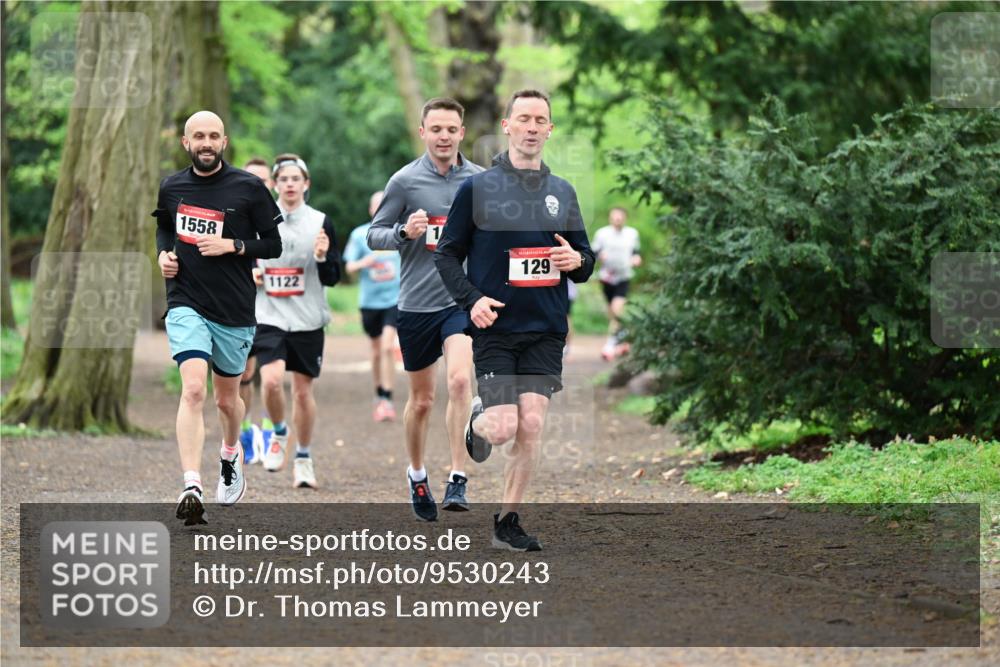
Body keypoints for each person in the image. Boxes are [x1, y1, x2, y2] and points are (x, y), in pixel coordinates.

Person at [434, 89, 595, 551]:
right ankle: (477, 420)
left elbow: (585, 261)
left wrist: (576, 261)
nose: (531, 127)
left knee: (532, 424)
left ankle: (507, 523)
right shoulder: (478, 189)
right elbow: (447, 254)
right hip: (496, 328)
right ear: (507, 126)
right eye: (523, 118)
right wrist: (471, 301)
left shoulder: (562, 191)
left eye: (540, 120)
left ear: (550, 130)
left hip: (545, 328)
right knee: (503, 427)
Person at [154, 111, 282, 525]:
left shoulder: (249, 187)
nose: (206, 143)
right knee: (193, 389)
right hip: (186, 300)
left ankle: (230, 453)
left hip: (234, 308)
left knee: (227, 400)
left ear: (224, 142)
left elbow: (274, 245)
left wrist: (233, 245)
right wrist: (163, 254)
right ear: (186, 143)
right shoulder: (172, 187)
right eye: (198, 136)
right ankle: (191, 484)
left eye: (213, 136)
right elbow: (164, 228)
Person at [367, 97, 484, 521]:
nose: (444, 136)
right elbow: (374, 235)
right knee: (421, 400)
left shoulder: (480, 181)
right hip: (416, 304)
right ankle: (417, 473)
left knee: (459, 381)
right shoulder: (404, 181)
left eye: (451, 129)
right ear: (423, 132)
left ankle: (458, 476)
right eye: (436, 129)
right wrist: (404, 231)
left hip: (460, 301)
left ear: (462, 133)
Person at [253, 153, 341, 489]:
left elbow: (333, 276)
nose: (290, 185)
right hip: (269, 315)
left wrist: (322, 257)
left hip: (308, 318)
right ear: (274, 185)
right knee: (271, 381)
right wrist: (250, 272)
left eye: (296, 179)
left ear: (306, 184)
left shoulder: (321, 222)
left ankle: (303, 458)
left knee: (303, 394)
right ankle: (279, 433)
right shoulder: (259, 220)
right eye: (283, 179)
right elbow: (241, 257)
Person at [344, 190, 401, 422]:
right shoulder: (359, 235)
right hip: (369, 302)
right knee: (376, 351)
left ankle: (388, 397)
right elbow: (349, 268)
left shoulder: (400, 233)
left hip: (395, 300)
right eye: (376, 206)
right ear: (370, 210)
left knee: (388, 347)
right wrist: (364, 262)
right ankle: (379, 392)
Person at [238, 158, 275, 465]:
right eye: (252, 179)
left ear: (271, 184)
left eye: (263, 180)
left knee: (273, 376)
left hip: (278, 311)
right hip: (243, 308)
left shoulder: (283, 218)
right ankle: (245, 431)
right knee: (245, 375)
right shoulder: (234, 216)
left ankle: (270, 431)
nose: (258, 185)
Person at [592, 207, 641, 360]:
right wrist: (600, 256)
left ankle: (609, 345)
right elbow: (593, 253)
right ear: (610, 218)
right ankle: (624, 339)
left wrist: (636, 259)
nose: (617, 219)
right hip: (607, 278)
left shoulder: (632, 233)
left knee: (617, 309)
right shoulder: (602, 233)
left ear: (624, 218)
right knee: (612, 314)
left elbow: (636, 252)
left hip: (623, 276)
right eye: (614, 217)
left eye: (620, 217)